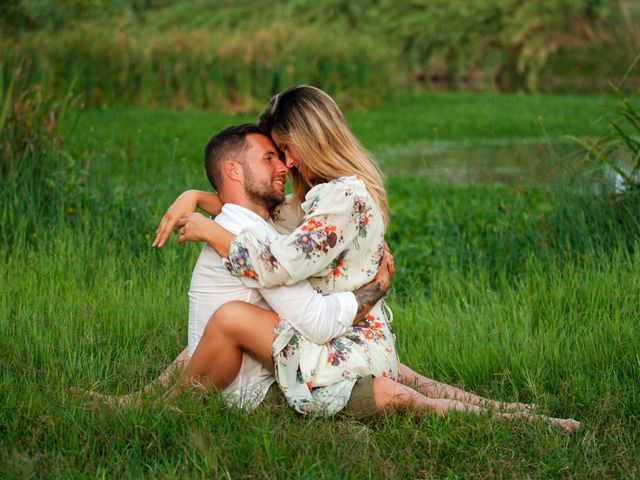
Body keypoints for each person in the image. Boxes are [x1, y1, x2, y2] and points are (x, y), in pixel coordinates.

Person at [155, 86, 580, 431]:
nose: (286, 163)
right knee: (412, 380)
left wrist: (210, 230)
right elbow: (262, 211)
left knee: (403, 391)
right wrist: (195, 196)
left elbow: (278, 264)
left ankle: (526, 421)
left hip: (337, 329)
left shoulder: (342, 199)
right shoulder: (316, 198)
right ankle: (512, 410)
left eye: (284, 150)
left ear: (308, 141)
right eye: (275, 154)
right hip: (339, 328)